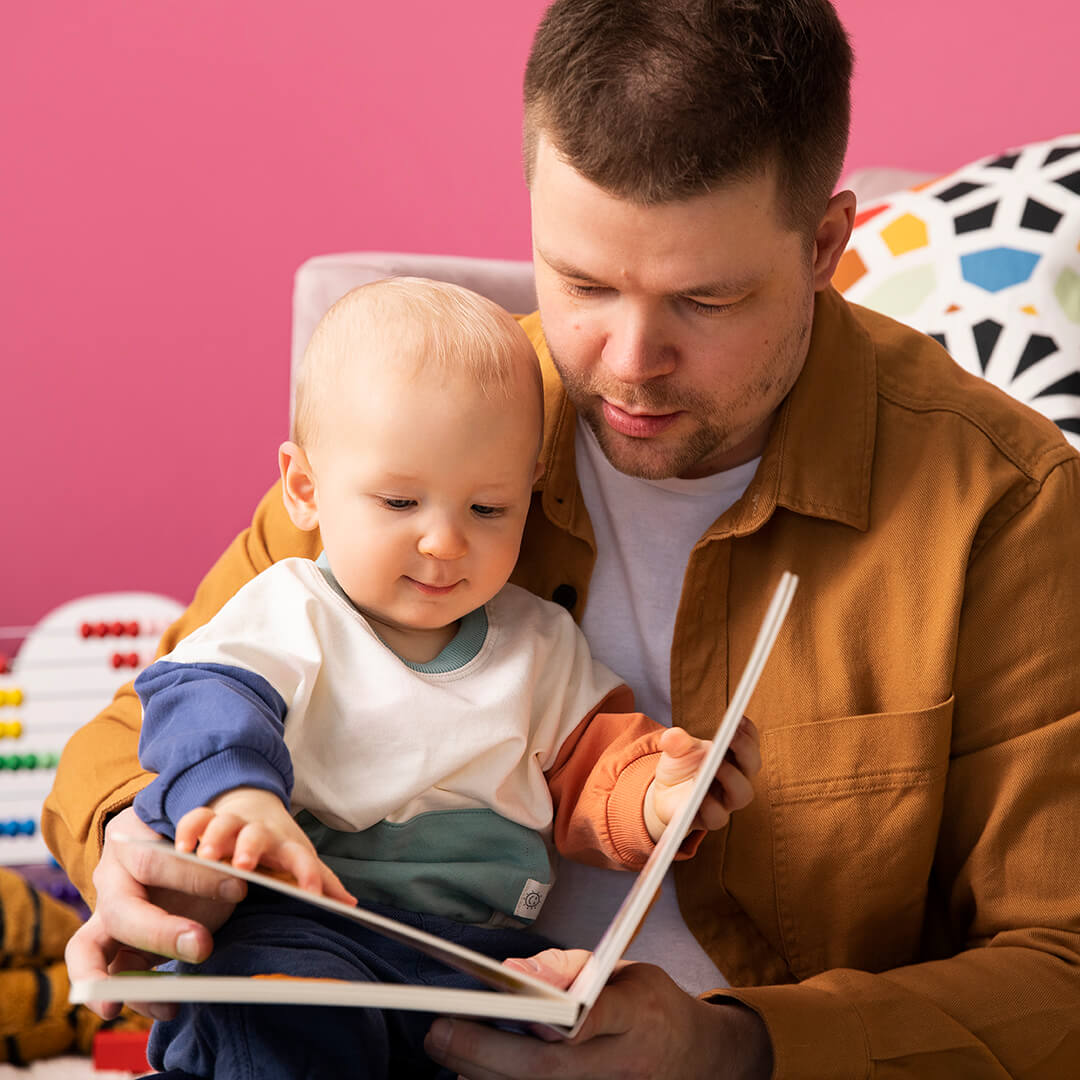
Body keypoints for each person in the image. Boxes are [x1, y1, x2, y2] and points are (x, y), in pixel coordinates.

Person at [46, 0, 1080, 1077]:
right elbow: (136, 735)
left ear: (825, 246)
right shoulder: (419, 421)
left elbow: (1063, 968)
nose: (630, 361)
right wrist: (142, 841)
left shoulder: (1005, 506)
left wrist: (731, 1049)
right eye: (583, 282)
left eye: (707, 299)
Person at [126, 277, 751, 1078]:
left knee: (556, 1024)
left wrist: (662, 798)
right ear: (305, 490)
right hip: (307, 924)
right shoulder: (294, 609)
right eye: (399, 502)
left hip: (476, 953)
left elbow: (595, 775)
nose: (446, 543)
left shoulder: (540, 643)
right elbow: (201, 705)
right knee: (277, 1012)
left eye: (488, 510)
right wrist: (242, 803)